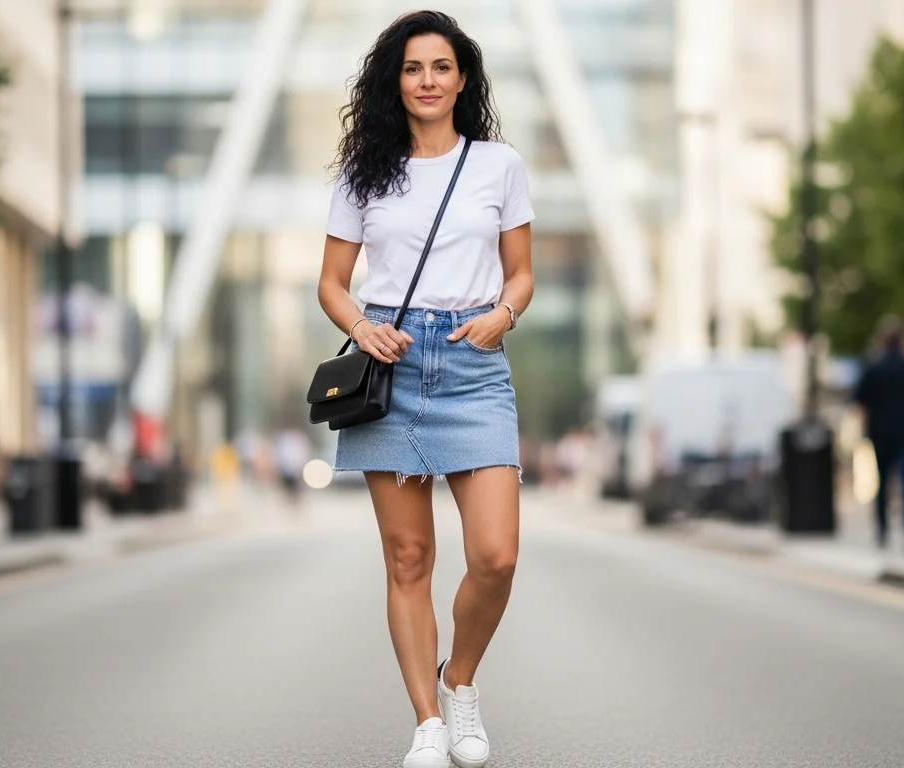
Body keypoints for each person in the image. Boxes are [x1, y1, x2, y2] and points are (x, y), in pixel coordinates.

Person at [316, 11, 533, 768]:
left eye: (441, 68)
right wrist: (362, 327)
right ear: (394, 81)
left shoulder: (498, 165)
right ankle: (427, 725)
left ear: (463, 78)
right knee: (408, 558)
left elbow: (522, 274)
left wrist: (503, 315)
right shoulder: (363, 171)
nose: (428, 82)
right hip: (393, 364)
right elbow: (333, 285)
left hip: (475, 367)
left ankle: (460, 683)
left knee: (496, 555)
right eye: (413, 69)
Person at [853, 317, 904, 552]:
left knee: (882, 483)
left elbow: (859, 402)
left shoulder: (873, 368)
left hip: (881, 434)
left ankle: (882, 529)